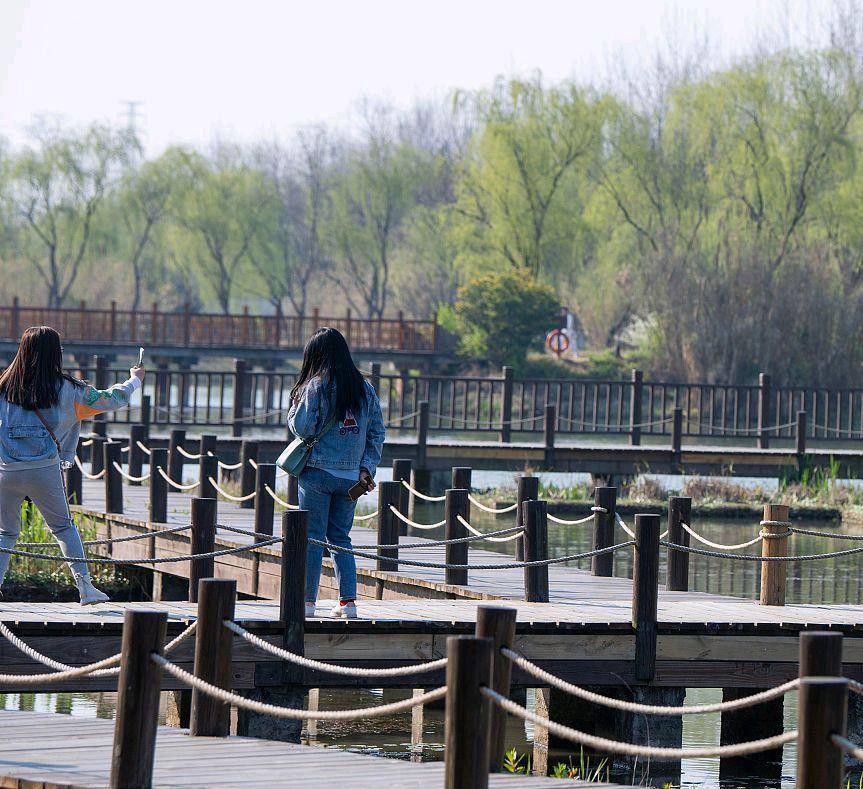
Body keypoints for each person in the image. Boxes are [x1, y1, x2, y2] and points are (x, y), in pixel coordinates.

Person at [0, 326, 145, 604]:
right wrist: (134, 380)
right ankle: (85, 588)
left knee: (6, 532)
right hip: (44, 470)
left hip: (6, 471)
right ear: (56, 354)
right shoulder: (69, 389)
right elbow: (111, 399)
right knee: (63, 528)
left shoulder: (4, 387)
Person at [288, 327, 385, 619]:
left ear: (316, 356)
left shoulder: (316, 386)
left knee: (313, 539)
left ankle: (307, 603)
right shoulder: (365, 389)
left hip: (317, 473)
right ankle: (348, 603)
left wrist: (294, 408)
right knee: (341, 538)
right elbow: (377, 433)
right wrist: (366, 468)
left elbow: (303, 429)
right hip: (351, 477)